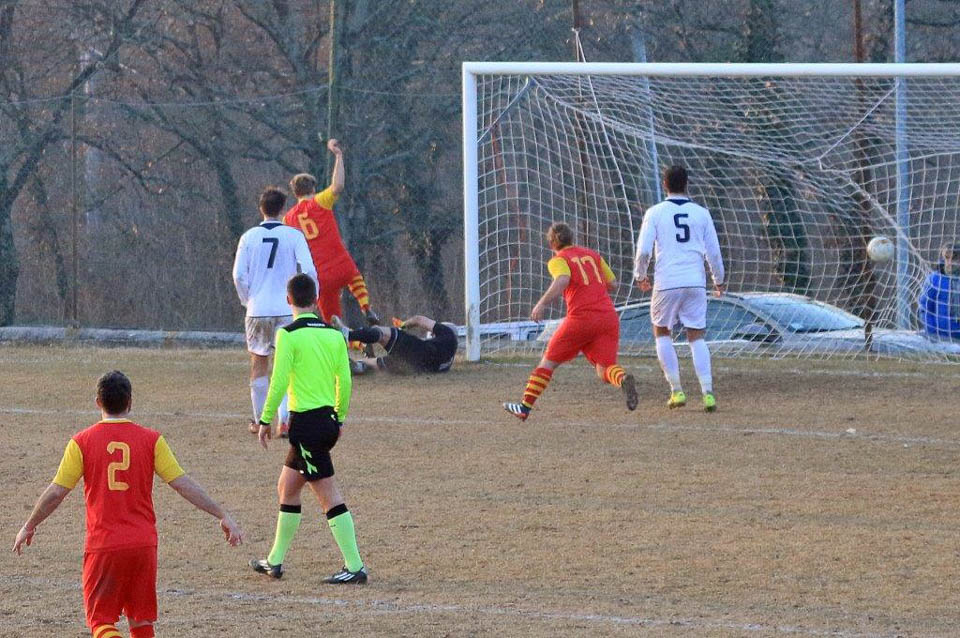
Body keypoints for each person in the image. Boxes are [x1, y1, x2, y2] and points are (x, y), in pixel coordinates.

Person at [12, 371, 243, 638]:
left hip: (104, 545)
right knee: (141, 621)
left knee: (101, 622)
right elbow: (182, 483)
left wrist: (29, 525)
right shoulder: (152, 440)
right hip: (143, 545)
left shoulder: (81, 442)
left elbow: (56, 492)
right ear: (130, 402)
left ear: (98, 402)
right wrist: (221, 513)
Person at [250, 273, 367, 584]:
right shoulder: (334, 335)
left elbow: (278, 381)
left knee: (328, 495)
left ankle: (355, 566)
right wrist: (339, 418)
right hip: (326, 421)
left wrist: (265, 419)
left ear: (288, 300)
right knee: (287, 487)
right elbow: (345, 380)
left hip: (307, 426)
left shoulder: (288, 335)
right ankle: (274, 561)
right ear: (316, 300)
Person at [503, 222, 638, 421]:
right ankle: (622, 379)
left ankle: (524, 407)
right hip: (607, 317)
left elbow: (563, 279)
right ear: (571, 238)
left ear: (551, 243)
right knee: (604, 369)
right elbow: (613, 283)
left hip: (581, 318)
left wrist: (541, 304)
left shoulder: (559, 259)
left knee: (547, 363)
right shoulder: (593, 255)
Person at [634, 165, 725, 412]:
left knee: (662, 332)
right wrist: (719, 279)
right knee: (697, 336)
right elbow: (714, 252)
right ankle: (707, 393)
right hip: (695, 281)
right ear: (686, 184)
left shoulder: (655, 213)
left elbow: (643, 251)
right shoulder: (702, 213)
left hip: (667, 282)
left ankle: (676, 391)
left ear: (664, 184)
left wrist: (640, 275)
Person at [233, 186, 318, 435]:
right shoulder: (293, 235)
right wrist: (311, 298)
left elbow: (238, 275)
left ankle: (261, 421)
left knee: (259, 363)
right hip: (287, 308)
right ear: (283, 209)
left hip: (257, 309)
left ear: (261, 209)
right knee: (287, 365)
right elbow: (309, 270)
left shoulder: (248, 237)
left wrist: (248, 300)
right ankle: (285, 420)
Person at [284, 139, 379, 326]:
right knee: (354, 277)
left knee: (330, 315)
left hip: (319, 273)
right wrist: (338, 156)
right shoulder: (319, 201)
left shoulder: (288, 218)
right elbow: (338, 186)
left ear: (296, 193)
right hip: (339, 261)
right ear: (313, 189)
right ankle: (366, 306)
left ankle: (342, 334)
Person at [331, 314, 458, 374]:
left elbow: (419, 320)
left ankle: (347, 334)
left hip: (419, 351)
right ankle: (360, 365)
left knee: (381, 332)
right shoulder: (447, 363)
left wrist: (403, 326)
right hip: (417, 368)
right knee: (385, 362)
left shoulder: (448, 334)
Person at [918, 242, 960, 340]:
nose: (950, 263)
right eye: (947, 258)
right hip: (939, 338)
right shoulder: (935, 279)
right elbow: (925, 309)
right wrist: (932, 333)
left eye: (954, 259)